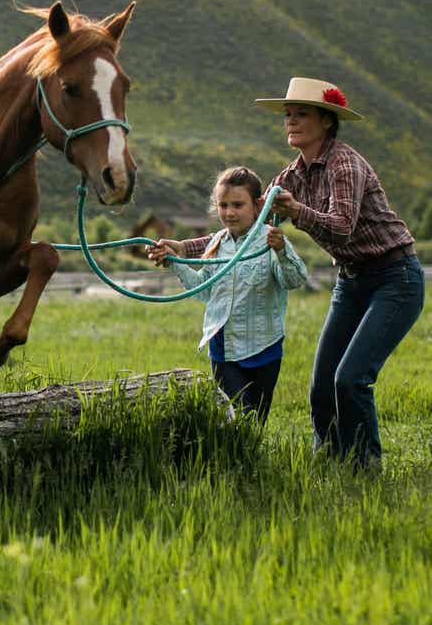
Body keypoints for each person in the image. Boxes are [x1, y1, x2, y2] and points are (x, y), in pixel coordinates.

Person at [149, 78, 425, 470]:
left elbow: (342, 226)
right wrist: (182, 248)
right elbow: (244, 229)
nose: (291, 121)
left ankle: (365, 467)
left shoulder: (345, 163)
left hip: (394, 277)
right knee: (321, 385)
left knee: (350, 378)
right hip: (351, 281)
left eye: (302, 114)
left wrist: (296, 212)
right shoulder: (289, 178)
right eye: (288, 115)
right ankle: (328, 461)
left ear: (327, 121)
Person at [152, 165, 307, 425]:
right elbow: (205, 291)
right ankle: (229, 460)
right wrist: (174, 262)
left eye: (238, 204)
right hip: (224, 349)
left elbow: (294, 279)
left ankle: (246, 463)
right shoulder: (217, 244)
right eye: (223, 205)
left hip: (264, 346)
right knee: (237, 418)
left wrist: (281, 251)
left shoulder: (271, 240)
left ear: (257, 205)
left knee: (255, 421)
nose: (230, 213)